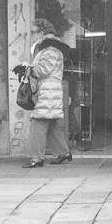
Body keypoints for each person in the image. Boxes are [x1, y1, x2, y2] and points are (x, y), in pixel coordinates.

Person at [19, 18, 73, 168]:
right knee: (50, 124)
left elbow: (43, 70)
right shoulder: (50, 49)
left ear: (42, 32)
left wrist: (27, 69)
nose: (31, 35)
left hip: (48, 91)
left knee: (38, 122)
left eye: (33, 32)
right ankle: (63, 153)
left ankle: (36, 158)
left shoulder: (50, 50)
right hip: (48, 90)